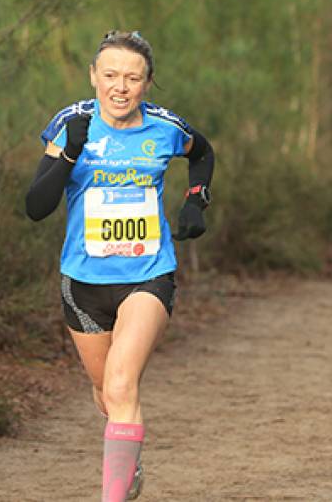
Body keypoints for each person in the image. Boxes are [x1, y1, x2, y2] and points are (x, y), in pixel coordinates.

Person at [25, 30, 214, 502]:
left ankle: (113, 493)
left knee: (123, 382)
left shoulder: (166, 128)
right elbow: (35, 206)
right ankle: (127, 461)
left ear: (147, 83)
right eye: (110, 75)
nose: (121, 87)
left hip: (148, 274)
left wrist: (196, 200)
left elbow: (202, 154)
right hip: (83, 281)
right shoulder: (70, 123)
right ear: (94, 76)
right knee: (106, 392)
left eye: (132, 78)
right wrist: (70, 152)